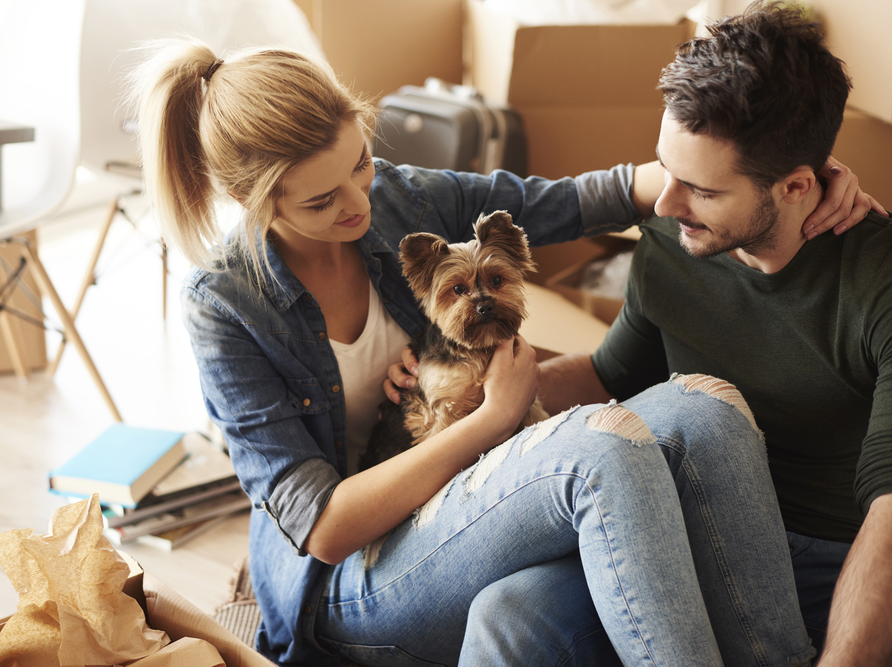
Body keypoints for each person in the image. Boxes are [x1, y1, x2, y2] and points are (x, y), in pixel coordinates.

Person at [128, 34, 872, 666]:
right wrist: (490, 418)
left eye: (359, 162)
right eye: (321, 201)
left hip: (464, 500)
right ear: (258, 203)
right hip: (356, 575)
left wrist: (795, 177)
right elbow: (322, 529)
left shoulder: (396, 197)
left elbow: (578, 198)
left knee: (701, 405)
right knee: (600, 449)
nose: (358, 202)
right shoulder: (226, 307)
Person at [518, 3, 890, 666]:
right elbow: (611, 374)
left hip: (827, 559)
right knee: (512, 614)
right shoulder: (671, 238)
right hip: (682, 527)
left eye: (700, 190)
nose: (663, 205)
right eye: (666, 171)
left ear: (799, 185)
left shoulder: (877, 279)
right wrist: (476, 397)